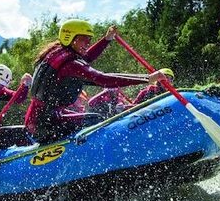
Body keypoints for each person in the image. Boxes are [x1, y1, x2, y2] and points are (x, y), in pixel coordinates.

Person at [24, 19, 166, 143]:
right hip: (43, 125)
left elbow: (86, 58)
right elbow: (103, 79)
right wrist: (147, 78)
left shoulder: (61, 53)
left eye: (89, 40)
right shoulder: (70, 64)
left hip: (42, 119)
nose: (87, 43)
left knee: (94, 118)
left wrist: (106, 39)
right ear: (70, 38)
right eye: (84, 39)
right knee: (95, 120)